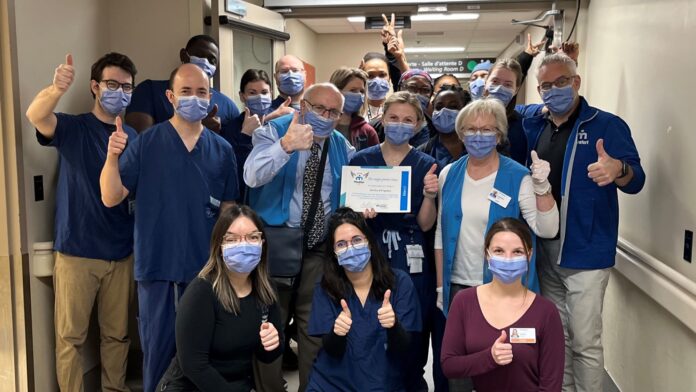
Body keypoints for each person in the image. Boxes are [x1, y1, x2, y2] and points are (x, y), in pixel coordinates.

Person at [100, 63, 240, 392]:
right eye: (186, 92)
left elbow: (228, 212)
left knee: (205, 358)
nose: (195, 98)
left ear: (211, 96)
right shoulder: (148, 142)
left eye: (202, 92)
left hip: (206, 272)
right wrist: (111, 157)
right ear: (170, 96)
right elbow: (111, 197)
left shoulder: (222, 150)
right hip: (158, 269)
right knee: (159, 355)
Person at [523, 53, 645, 392]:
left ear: (576, 82)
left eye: (562, 82)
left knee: (585, 343)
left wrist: (618, 170)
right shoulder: (538, 125)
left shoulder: (606, 125)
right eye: (546, 86)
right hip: (547, 251)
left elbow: (637, 181)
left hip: (587, 254)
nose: (554, 90)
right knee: (557, 339)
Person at [26, 52, 137, 392]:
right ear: (95, 86)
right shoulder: (74, 128)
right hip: (76, 251)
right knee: (70, 338)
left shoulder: (133, 135)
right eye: (112, 84)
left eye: (127, 86)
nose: (120, 91)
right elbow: (36, 115)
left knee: (117, 336)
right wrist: (56, 89)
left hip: (121, 252)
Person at [244, 83, 355, 391]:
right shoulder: (274, 129)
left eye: (333, 112)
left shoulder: (341, 145)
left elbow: (345, 196)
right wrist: (286, 146)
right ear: (303, 105)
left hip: (319, 251)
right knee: (270, 328)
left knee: (313, 328)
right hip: (276, 248)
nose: (325, 116)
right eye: (319, 108)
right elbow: (251, 176)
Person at [349, 91, 441, 391]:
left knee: (411, 329)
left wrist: (429, 195)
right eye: (393, 118)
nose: (400, 124)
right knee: (369, 328)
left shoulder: (426, 163)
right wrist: (360, 215)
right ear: (382, 120)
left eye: (407, 120)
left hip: (413, 256)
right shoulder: (361, 160)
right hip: (370, 252)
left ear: (417, 125)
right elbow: (348, 219)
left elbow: (426, 224)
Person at [156, 205, 283, 391]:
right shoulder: (202, 292)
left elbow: (267, 357)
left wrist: (272, 342)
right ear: (219, 246)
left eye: (252, 237)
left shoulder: (266, 289)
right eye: (232, 239)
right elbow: (193, 365)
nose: (244, 245)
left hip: (237, 385)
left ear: (262, 243)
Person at [441, 217, 565, 391]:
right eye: (499, 251)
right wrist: (489, 358)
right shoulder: (464, 302)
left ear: (529, 255)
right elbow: (449, 365)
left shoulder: (545, 312)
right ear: (487, 253)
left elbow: (551, 384)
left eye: (517, 252)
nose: (508, 259)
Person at [307, 207, 421, 392]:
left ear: (369, 242)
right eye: (341, 244)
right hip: (333, 385)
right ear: (334, 253)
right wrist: (337, 332)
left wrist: (393, 326)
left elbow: (405, 349)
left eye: (357, 240)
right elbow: (332, 350)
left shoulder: (399, 283)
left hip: (382, 384)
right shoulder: (325, 287)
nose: (350, 248)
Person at [125, 34, 240, 133]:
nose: (205, 62)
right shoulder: (149, 92)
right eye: (200, 55)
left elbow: (234, 150)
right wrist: (195, 128)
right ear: (183, 55)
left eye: (212, 60)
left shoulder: (228, 106)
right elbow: (141, 141)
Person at [220, 69, 295, 201]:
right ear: (242, 96)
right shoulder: (233, 128)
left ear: (271, 94)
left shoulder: (277, 125)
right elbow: (232, 173)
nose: (260, 97)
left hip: (274, 201)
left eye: (264, 92)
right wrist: (245, 136)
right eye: (252, 93)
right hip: (244, 201)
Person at [372, 69, 434, 147]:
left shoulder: (435, 129)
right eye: (412, 88)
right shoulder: (376, 127)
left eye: (425, 90)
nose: (418, 94)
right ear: (399, 89)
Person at [418, 85, 472, 168]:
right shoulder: (422, 153)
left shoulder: (478, 146)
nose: (444, 111)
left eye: (453, 107)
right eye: (439, 107)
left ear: (465, 110)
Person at [329, 67, 379, 151]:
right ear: (336, 92)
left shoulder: (367, 131)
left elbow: (375, 161)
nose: (359, 95)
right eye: (353, 90)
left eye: (362, 91)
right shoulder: (322, 125)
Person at [359, 51, 393, 122]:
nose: (377, 81)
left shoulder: (396, 109)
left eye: (382, 75)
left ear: (389, 77)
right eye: (370, 76)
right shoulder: (356, 111)